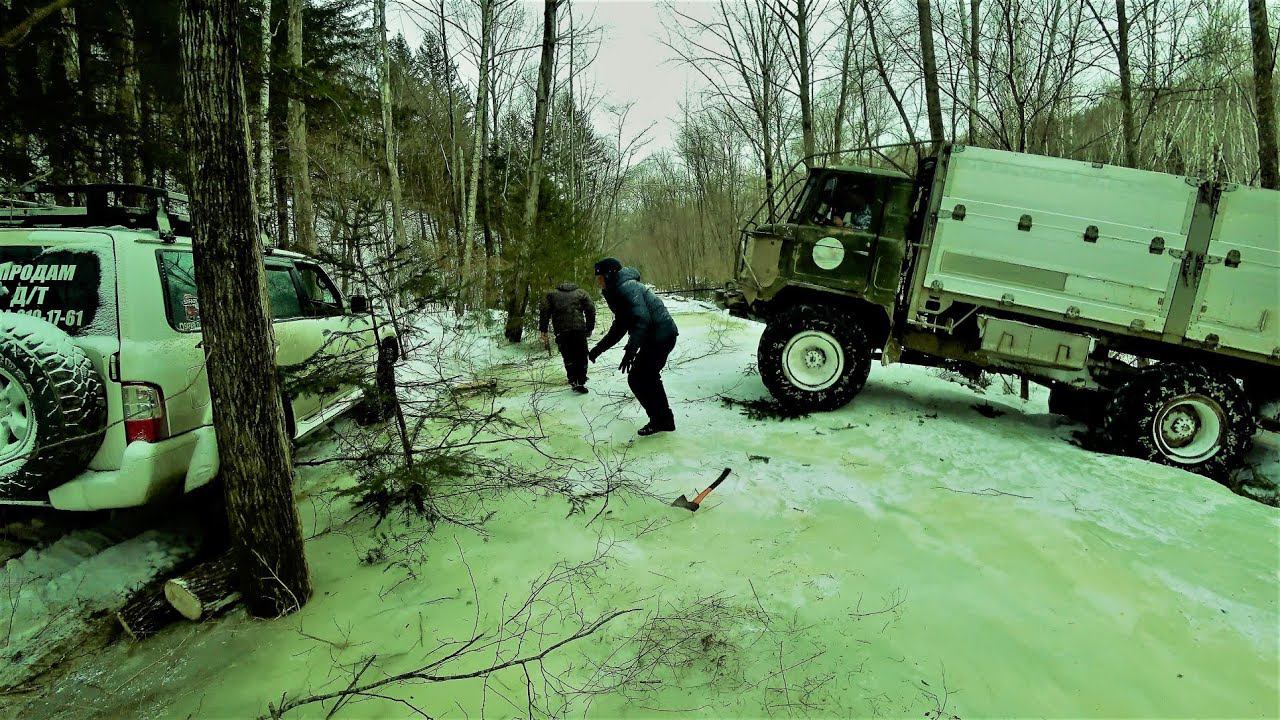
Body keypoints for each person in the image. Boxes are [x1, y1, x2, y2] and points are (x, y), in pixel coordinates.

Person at [588, 258, 679, 436]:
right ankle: (664, 420)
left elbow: (642, 319)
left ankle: (662, 420)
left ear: (609, 275)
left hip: (661, 336)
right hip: (656, 337)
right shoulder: (616, 290)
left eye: (600, 278)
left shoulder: (627, 287)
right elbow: (621, 325)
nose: (599, 282)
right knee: (644, 377)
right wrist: (599, 348)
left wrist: (630, 351)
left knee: (640, 378)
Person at [539, 280, 596, 394]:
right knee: (581, 354)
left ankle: (573, 380)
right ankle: (581, 379)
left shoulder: (552, 294)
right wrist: (589, 327)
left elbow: (544, 311)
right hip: (579, 329)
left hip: (562, 330)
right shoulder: (581, 293)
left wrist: (543, 329)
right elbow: (591, 309)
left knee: (568, 356)